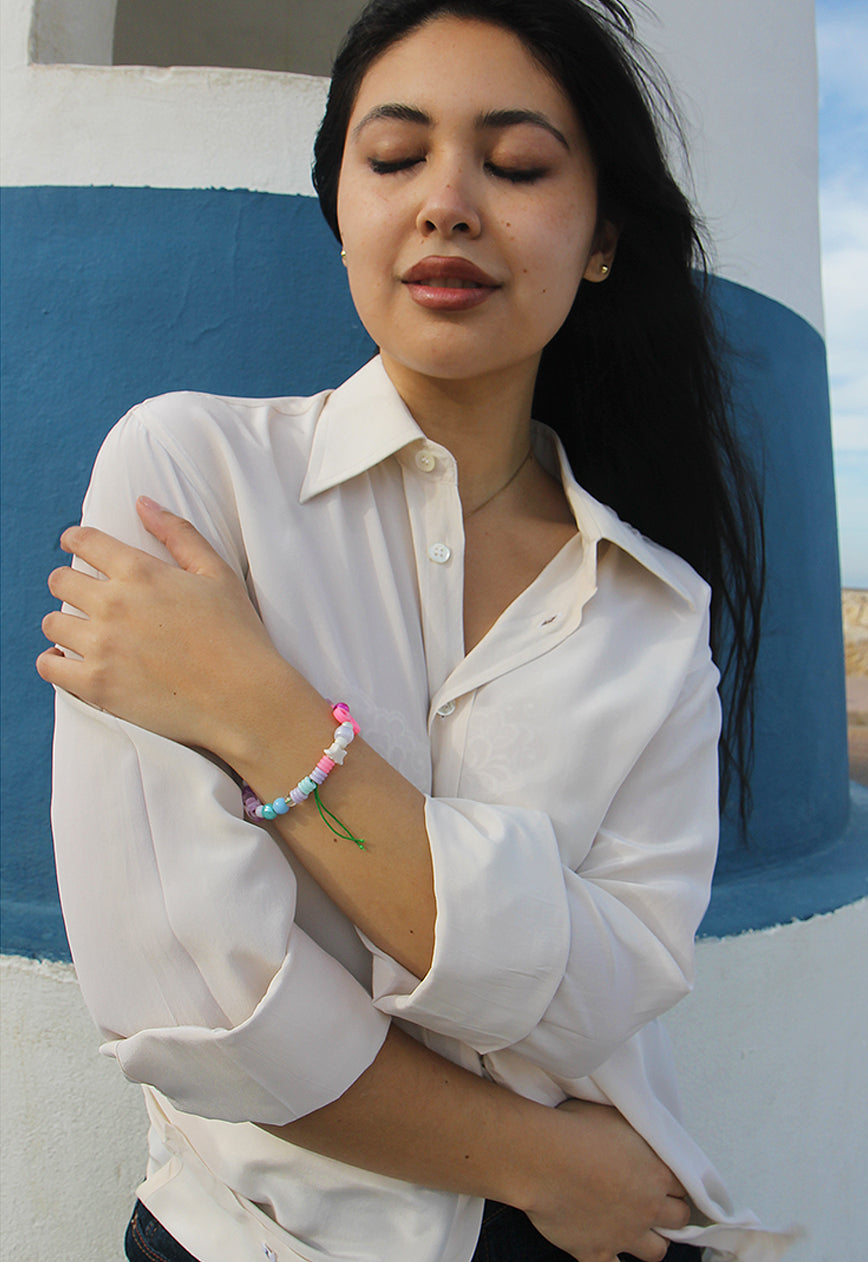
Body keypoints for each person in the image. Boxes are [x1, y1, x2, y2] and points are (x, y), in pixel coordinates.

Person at [37, 2, 783, 1259]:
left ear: (600, 238)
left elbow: (612, 986)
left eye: (518, 164)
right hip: (291, 1232)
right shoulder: (189, 476)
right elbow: (193, 996)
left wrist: (268, 724)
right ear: (340, 207)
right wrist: (548, 1161)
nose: (447, 202)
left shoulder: (655, 608)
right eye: (394, 158)